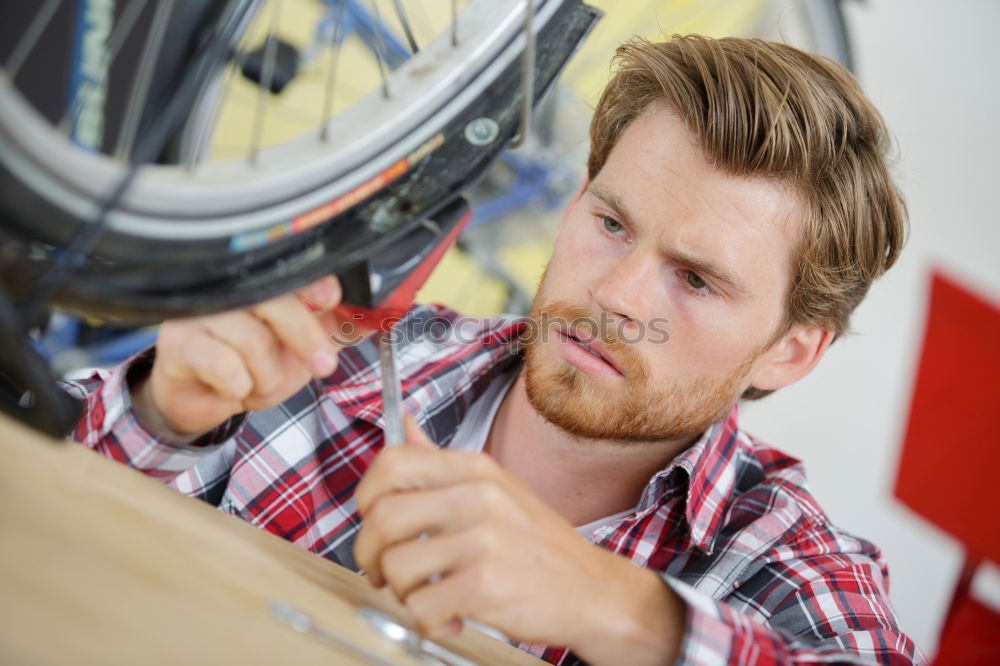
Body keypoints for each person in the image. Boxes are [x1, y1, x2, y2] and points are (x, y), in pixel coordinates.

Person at [67, 35, 922, 665]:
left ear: (789, 352)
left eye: (696, 280)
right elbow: (55, 535)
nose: (616, 296)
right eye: (611, 224)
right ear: (575, 198)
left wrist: (618, 610)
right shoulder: (344, 359)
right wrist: (161, 416)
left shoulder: (779, 559)